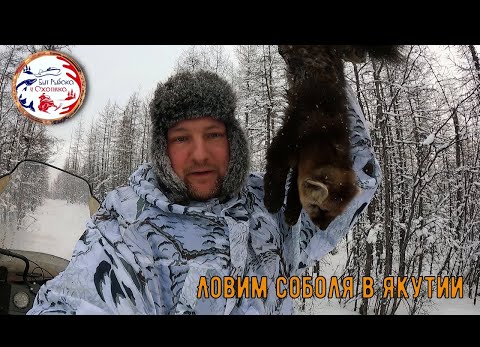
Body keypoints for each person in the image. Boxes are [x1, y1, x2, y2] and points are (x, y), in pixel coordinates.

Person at [27, 68, 381, 315]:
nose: (199, 154)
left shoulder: (272, 206)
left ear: (234, 143)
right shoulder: (126, 224)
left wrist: (321, 75)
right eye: (181, 138)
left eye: (213, 134)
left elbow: (351, 179)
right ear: (162, 148)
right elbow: (81, 298)